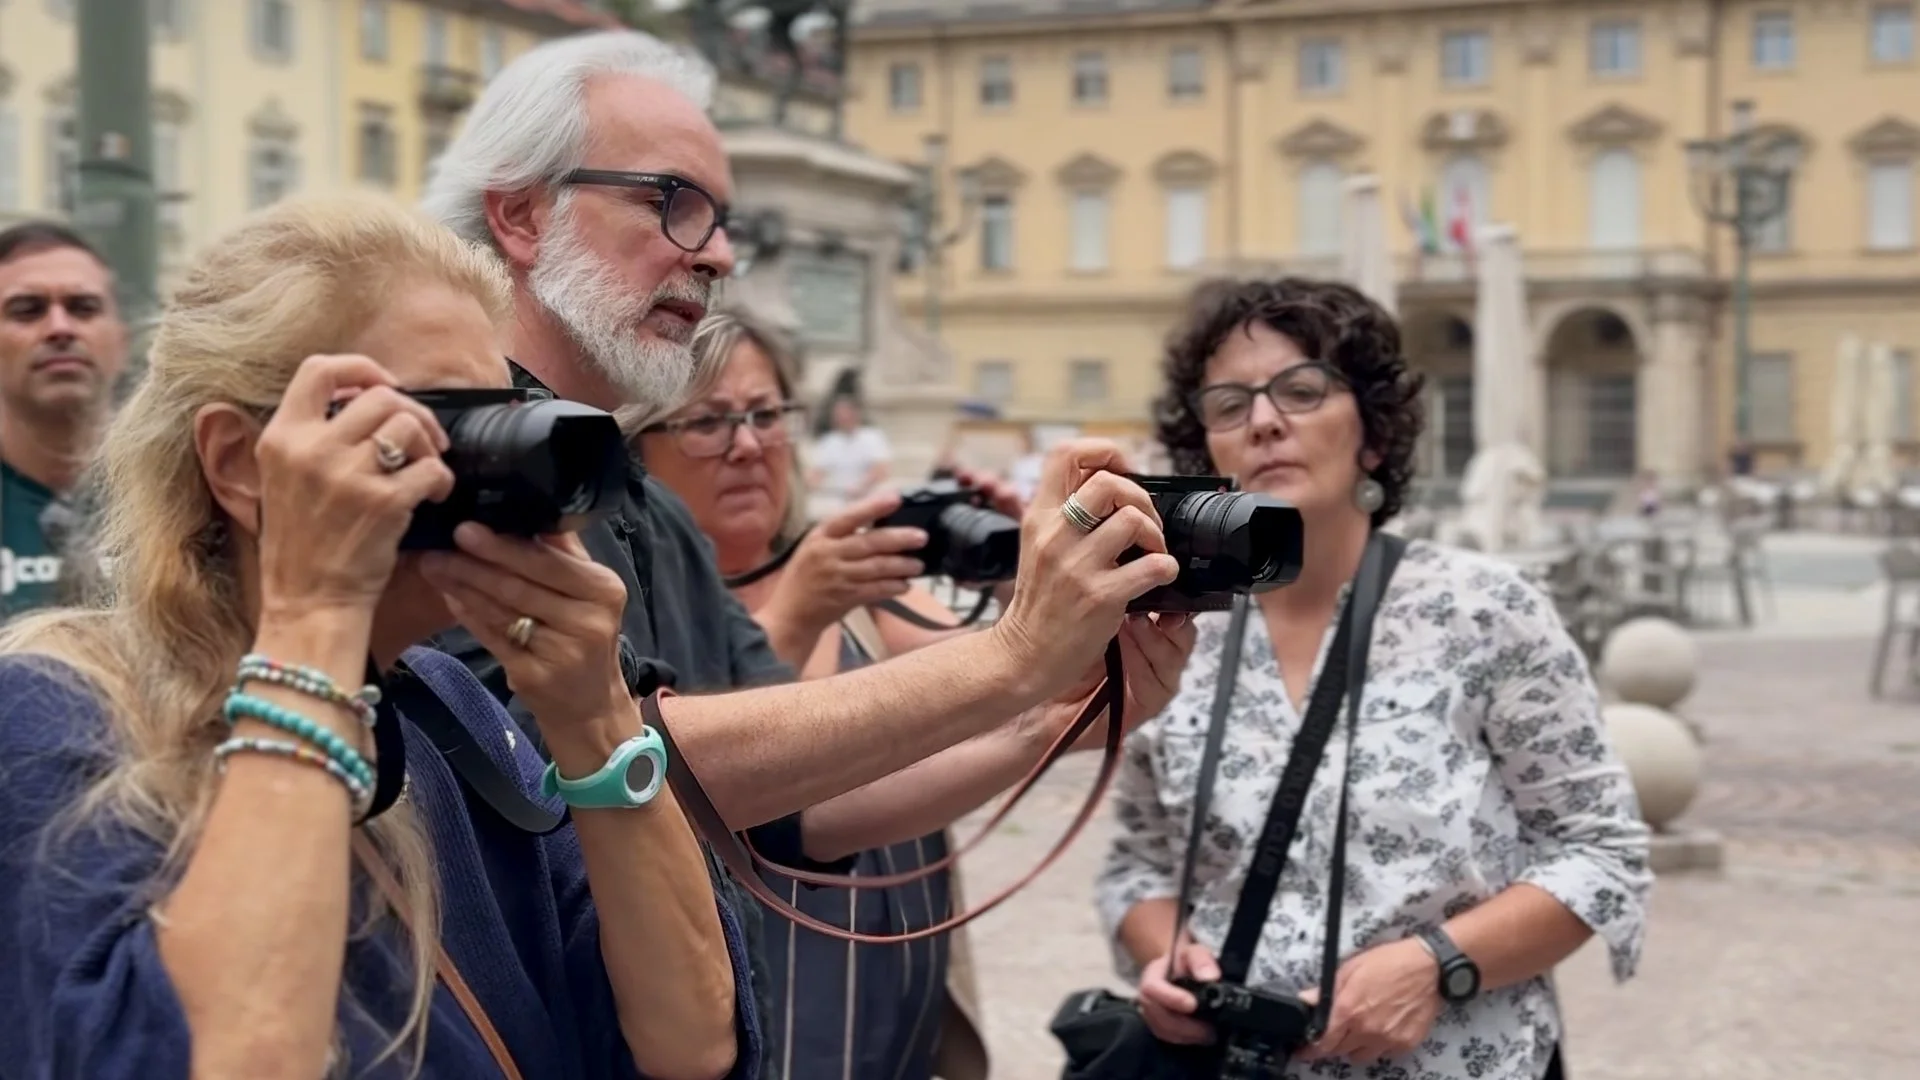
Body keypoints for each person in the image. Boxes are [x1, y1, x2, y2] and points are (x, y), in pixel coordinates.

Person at [0, 196, 756, 1080]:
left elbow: (691, 1043)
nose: (474, 465)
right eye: (429, 420)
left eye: (497, 413)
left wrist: (594, 718)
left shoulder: (441, 708)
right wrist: (316, 616)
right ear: (242, 463)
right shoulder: (58, 713)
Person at [418, 28, 1180, 851]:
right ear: (524, 214)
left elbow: (791, 803)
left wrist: (1046, 719)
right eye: (671, 202)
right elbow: (574, 774)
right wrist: (1013, 658)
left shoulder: (649, 506)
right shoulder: (435, 467)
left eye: (720, 219)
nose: (719, 255)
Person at [1096, 278, 1653, 1079]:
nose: (1263, 420)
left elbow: (1598, 850)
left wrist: (1437, 964)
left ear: (1375, 437)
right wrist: (1168, 960)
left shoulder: (1483, 610)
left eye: (1302, 390)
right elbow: (1137, 865)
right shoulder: (1175, 631)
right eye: (1229, 404)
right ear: (1205, 450)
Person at [639, 308, 1198, 1080]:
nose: (748, 445)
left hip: (888, 976)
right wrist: (799, 611)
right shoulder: (644, 607)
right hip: (750, 975)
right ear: (634, 451)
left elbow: (1001, 687)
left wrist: (1030, 579)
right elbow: (712, 777)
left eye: (766, 414)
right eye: (707, 422)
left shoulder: (858, 572)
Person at [0, 221, 128, 620]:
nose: (60, 328)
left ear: (122, 341)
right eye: (27, 310)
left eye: (83, 308)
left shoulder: (183, 494)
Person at [806, 391, 892, 517]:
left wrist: (861, 486)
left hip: (866, 496)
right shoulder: (828, 441)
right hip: (837, 500)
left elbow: (881, 469)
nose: (841, 417)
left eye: (844, 413)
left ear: (855, 413)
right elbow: (818, 472)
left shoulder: (872, 437)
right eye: (838, 414)